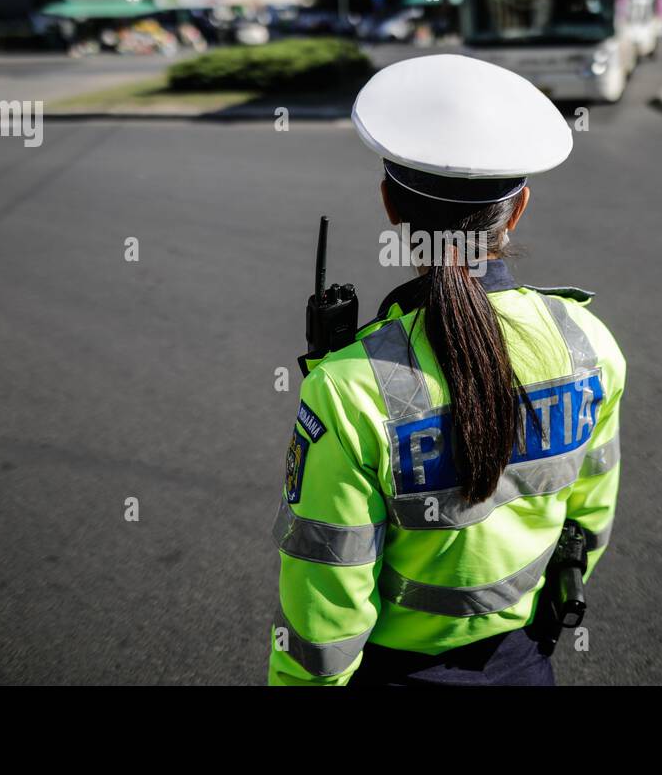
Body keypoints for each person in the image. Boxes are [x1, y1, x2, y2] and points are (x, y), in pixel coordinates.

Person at [268, 54, 626, 686]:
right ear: (516, 212)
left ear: (391, 209)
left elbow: (326, 605)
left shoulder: (348, 390)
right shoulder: (589, 345)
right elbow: (586, 522)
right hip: (524, 661)